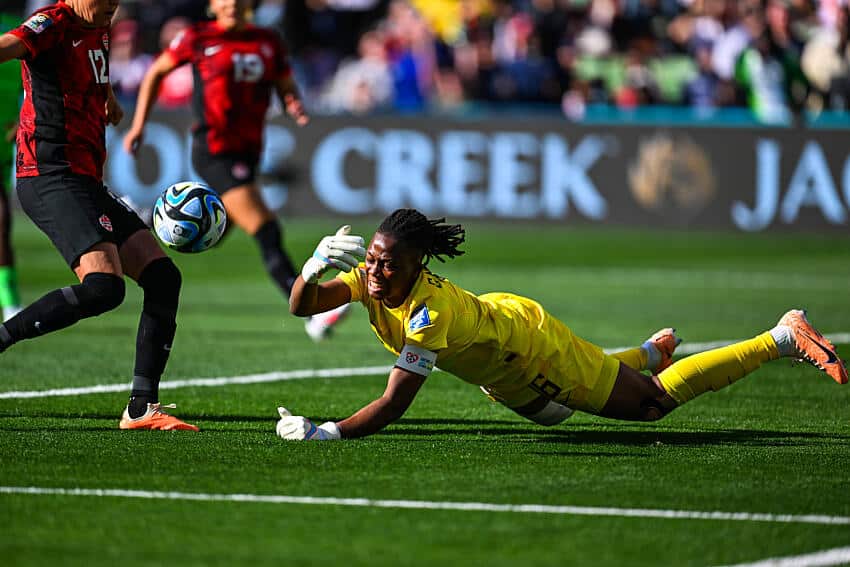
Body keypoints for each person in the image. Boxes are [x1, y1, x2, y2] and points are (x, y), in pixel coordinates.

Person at [276, 209, 847, 441]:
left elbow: (395, 403)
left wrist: (328, 432)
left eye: (388, 263)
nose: (374, 272)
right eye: (371, 259)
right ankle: (646, 354)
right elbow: (303, 305)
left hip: (527, 347)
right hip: (498, 351)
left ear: (417, 266)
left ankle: (780, 337)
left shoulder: (429, 316)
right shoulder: (372, 280)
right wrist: (310, 268)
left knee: (647, 406)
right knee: (557, 415)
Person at [0, 0, 197, 431]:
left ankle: (141, 407)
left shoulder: (99, 25)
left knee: (164, 277)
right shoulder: (53, 21)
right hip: (49, 175)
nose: (111, 4)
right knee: (104, 287)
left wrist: (105, 97)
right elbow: (11, 44)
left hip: (84, 178)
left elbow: (92, 64)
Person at [123, 0, 348, 340]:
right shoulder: (196, 38)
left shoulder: (267, 42)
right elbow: (156, 72)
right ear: (212, 5)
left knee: (212, 230)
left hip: (248, 152)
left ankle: (138, 219)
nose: (232, 4)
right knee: (266, 230)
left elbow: (284, 81)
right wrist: (138, 125)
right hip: (214, 150)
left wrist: (292, 102)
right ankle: (310, 310)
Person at [0, 11, 23, 322]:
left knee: (1, 225)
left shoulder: (13, 28)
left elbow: (31, 79)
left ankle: (11, 301)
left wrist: (23, 118)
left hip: (2, 141)